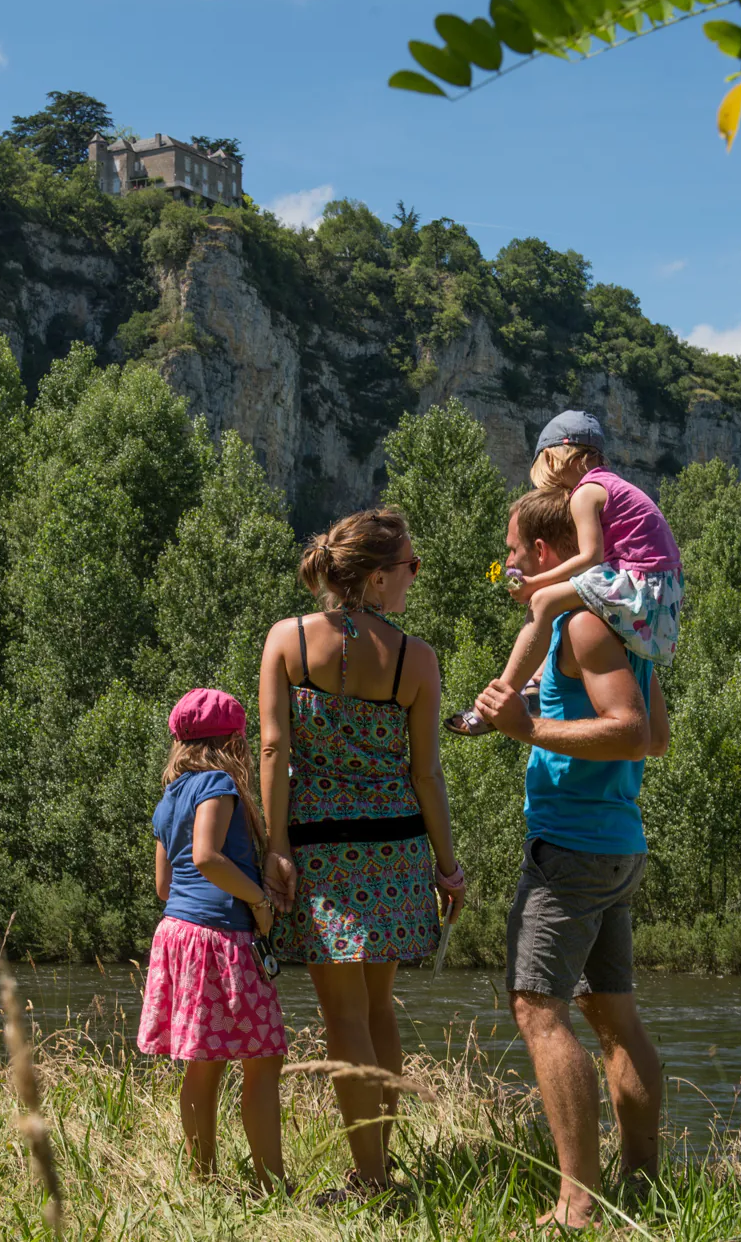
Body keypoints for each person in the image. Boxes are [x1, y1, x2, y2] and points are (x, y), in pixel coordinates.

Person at [472, 485, 671, 1231]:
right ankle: (644, 1189)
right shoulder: (628, 632)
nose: (510, 561)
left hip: (577, 848)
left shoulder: (585, 628)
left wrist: (527, 731)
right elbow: (655, 738)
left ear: (548, 553)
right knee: (612, 1017)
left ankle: (577, 1206)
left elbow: (627, 733)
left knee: (538, 1011)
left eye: (515, 549)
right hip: (614, 845)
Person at [257, 507, 465, 1201]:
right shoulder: (417, 659)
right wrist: (447, 865)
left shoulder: (286, 640)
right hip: (397, 848)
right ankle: (381, 1167)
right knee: (379, 1010)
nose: (413, 578)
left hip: (321, 852)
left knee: (345, 1017)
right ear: (376, 578)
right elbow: (425, 774)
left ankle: (371, 1179)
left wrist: (275, 846)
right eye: (410, 566)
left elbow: (273, 749)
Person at [449, 409, 683, 736]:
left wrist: (534, 584)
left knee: (544, 602)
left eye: (546, 470)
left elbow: (590, 557)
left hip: (641, 584)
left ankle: (495, 702)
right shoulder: (611, 486)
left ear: (562, 458)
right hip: (660, 593)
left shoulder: (585, 492)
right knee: (563, 607)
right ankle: (534, 685)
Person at [138, 688, 287, 1191]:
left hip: (178, 934)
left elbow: (164, 886)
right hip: (221, 937)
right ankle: (272, 1184)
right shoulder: (219, 784)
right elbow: (206, 856)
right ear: (233, 742)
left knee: (204, 1065)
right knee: (264, 1059)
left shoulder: (168, 799)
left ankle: (203, 1180)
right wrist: (260, 903)